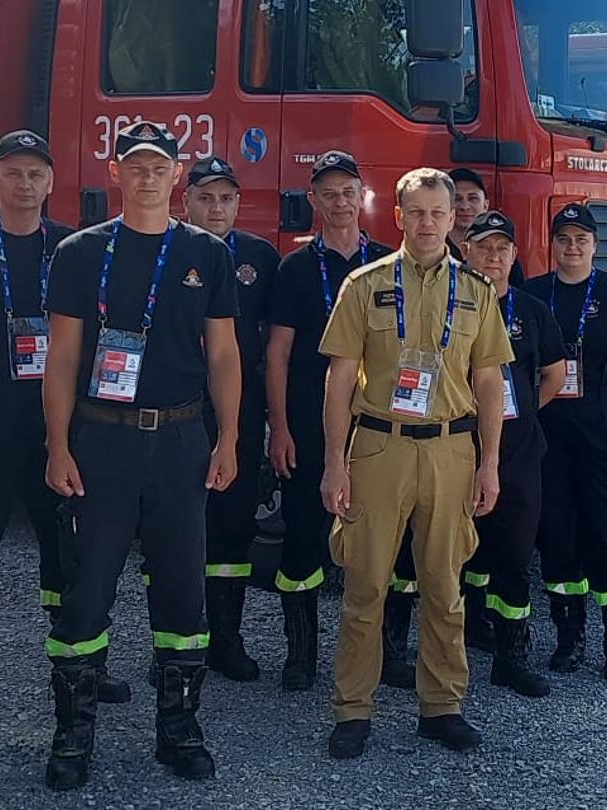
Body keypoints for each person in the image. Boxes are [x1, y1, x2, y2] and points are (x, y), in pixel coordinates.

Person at [40, 122, 242, 789]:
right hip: (101, 439)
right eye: (137, 165)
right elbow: (63, 356)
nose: (148, 176)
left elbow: (223, 355)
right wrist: (58, 443)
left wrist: (230, 439)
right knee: (88, 589)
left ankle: (178, 731)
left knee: (185, 589)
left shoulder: (206, 255)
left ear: (176, 175)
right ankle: (73, 735)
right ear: (115, 172)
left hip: (182, 439)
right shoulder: (78, 253)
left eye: (160, 166)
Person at [0, 131, 132, 714]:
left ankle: (80, 667)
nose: (24, 184)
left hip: (57, 427)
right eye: (12, 173)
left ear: (51, 181)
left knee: (69, 552)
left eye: (34, 174)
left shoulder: (74, 248)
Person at [317, 168, 511, 759]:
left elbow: (489, 382)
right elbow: (340, 378)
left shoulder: (477, 292)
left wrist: (490, 463)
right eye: (416, 212)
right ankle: (353, 709)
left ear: (456, 220)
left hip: (452, 450)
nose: (427, 223)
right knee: (366, 584)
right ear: (397, 216)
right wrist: (334, 463)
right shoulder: (363, 284)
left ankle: (442, 706)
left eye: (438, 213)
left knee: (443, 586)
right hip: (379, 447)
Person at [264, 150, 393, 692]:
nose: (339, 203)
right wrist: (280, 427)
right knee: (303, 534)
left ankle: (381, 652)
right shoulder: (294, 268)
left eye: (348, 192)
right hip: (308, 421)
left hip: (375, 422)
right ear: (312, 200)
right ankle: (301, 653)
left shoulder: (389, 264)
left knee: (380, 537)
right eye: (328, 193)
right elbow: (276, 354)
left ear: (362, 197)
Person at [520, 203, 607, 683]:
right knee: (556, 534)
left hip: (604, 431)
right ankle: (568, 636)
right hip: (549, 432)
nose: (572, 247)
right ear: (551, 245)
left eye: (581, 239)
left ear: (595, 245)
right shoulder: (533, 294)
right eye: (563, 239)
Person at [183, 155, 280, 682]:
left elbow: (273, 344)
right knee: (174, 531)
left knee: (233, 529)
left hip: (238, 417)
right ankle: (175, 645)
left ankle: (226, 637)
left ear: (239, 204)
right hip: (177, 415)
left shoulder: (260, 259)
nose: (216, 207)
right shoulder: (168, 252)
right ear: (187, 201)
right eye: (205, 197)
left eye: (226, 198)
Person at [463, 211, 565, 697]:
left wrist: (518, 413)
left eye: (503, 248)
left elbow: (554, 375)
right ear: (466, 251)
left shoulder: (531, 310)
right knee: (452, 550)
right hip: (457, 447)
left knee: (515, 552)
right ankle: (448, 639)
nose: (495, 256)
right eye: (484, 247)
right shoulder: (452, 305)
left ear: (515, 256)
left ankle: (511, 655)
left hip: (519, 452)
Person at [444, 168, 523, 286]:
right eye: (457, 199)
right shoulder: (437, 252)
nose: (465, 206)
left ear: (486, 205)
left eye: (472, 198)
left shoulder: (503, 256)